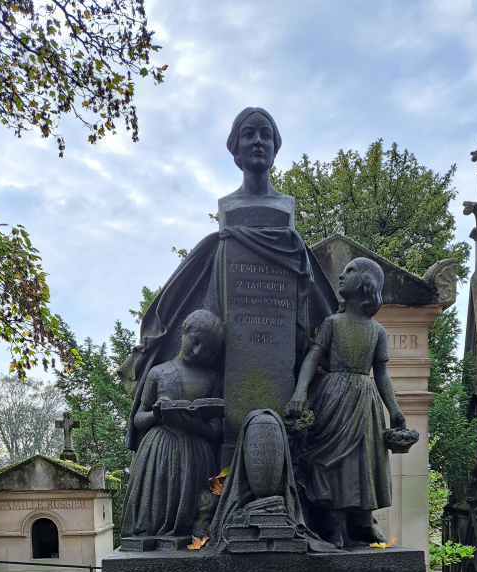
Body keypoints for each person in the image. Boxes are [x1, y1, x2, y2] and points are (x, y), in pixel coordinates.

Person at [119, 107, 337, 448]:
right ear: (234, 149)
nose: (258, 142)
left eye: (266, 135)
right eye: (248, 134)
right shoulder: (230, 209)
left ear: (276, 147)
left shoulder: (284, 206)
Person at [285, 257, 407, 549]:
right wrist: (300, 392)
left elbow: (382, 374)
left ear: (366, 284)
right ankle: (336, 527)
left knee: (364, 463)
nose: (341, 275)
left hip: (364, 402)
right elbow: (312, 358)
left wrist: (396, 410)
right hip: (332, 397)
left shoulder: (377, 331)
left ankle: (363, 524)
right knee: (332, 463)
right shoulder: (332, 324)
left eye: (349, 271)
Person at [120, 310, 224, 541]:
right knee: (155, 506)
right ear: (184, 332)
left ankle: (190, 534)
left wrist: (197, 424)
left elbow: (217, 431)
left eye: (206, 349)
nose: (198, 352)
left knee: (193, 510)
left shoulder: (214, 379)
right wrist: (156, 412)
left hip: (196, 454)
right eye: (194, 342)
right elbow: (139, 419)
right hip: (159, 450)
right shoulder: (158, 372)